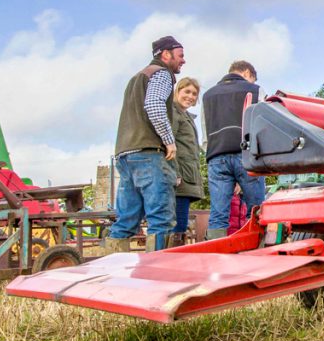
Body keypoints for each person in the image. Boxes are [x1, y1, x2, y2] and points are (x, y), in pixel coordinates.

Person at [105, 36, 185, 253]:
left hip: (126, 154)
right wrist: (169, 142)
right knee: (161, 220)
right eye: (180, 56)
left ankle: (110, 275)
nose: (183, 61)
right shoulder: (161, 73)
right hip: (149, 154)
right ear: (165, 54)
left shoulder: (136, 78)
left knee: (125, 221)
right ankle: (158, 277)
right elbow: (154, 105)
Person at [203, 60, 263, 240]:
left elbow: (206, 134)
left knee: (218, 213)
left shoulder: (207, 96)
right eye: (252, 78)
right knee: (256, 210)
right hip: (246, 155)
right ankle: (255, 249)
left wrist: (213, 152)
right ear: (247, 73)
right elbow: (263, 125)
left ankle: (215, 252)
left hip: (216, 156)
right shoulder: (256, 90)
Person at [170, 77, 204, 247]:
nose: (190, 96)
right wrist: (174, 172)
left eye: (194, 94)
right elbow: (169, 143)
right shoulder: (174, 113)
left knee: (180, 223)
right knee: (177, 223)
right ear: (177, 91)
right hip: (180, 177)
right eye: (187, 91)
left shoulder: (186, 115)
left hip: (187, 175)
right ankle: (169, 262)